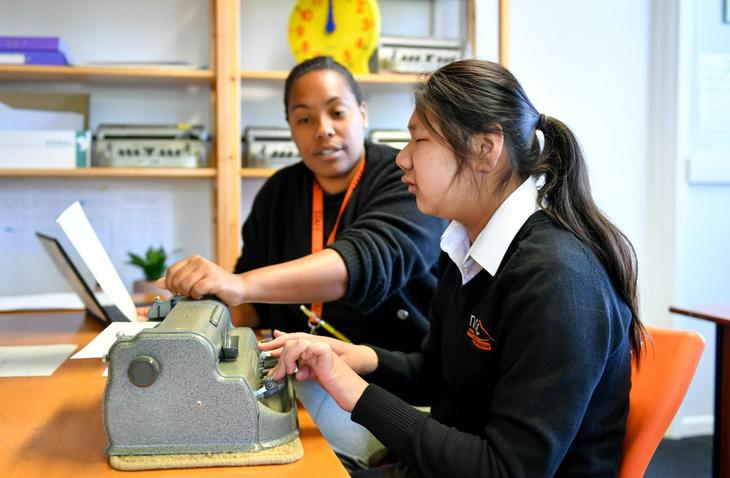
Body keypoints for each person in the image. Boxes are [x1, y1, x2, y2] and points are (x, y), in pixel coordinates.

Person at [258, 59, 647, 477]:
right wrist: (354, 358)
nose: (402, 160)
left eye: (419, 141)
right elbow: (436, 373)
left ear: (485, 149)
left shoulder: (559, 280)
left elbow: (507, 469)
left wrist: (355, 394)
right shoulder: (466, 247)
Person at [157, 56, 445, 471]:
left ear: (362, 114)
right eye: (304, 119)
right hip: (302, 377)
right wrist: (192, 317)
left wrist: (240, 282)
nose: (323, 129)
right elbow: (251, 307)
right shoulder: (278, 192)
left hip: (396, 387)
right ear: (290, 128)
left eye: (337, 112)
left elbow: (363, 262)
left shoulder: (405, 177)